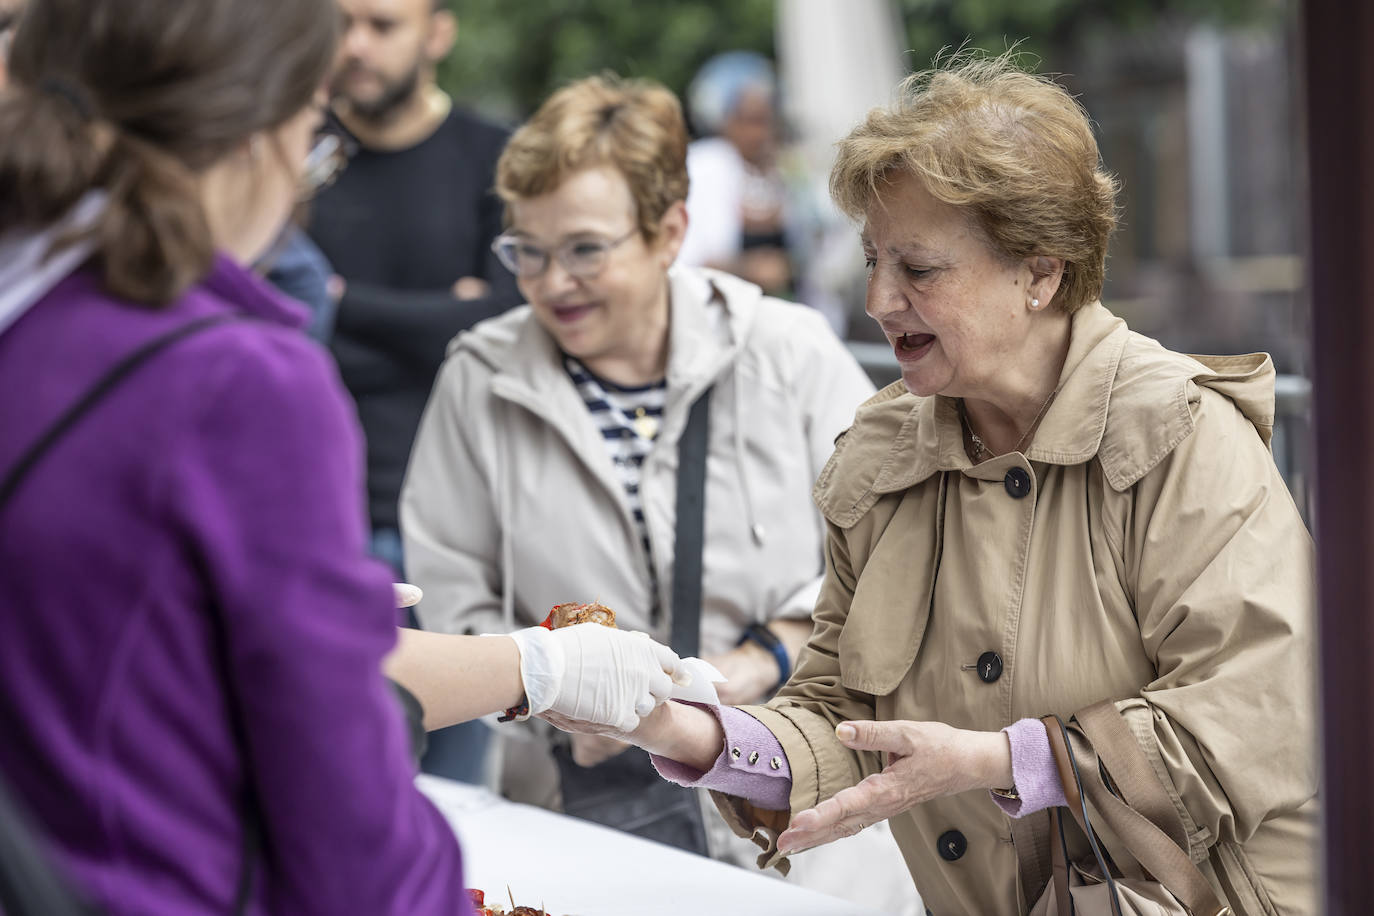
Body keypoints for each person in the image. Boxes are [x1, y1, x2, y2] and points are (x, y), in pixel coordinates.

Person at [548, 54, 1319, 915]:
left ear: (1041, 272)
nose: (878, 298)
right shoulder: (883, 451)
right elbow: (843, 714)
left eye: (919, 269)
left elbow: (1264, 718)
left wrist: (1003, 761)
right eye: (873, 257)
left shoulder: (1179, 434)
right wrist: (671, 725)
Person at [0, 2, 684, 913]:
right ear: (257, 137)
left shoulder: (38, 317)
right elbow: (351, 830)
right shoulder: (238, 380)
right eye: (315, 146)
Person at [400, 75, 921, 911]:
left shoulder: (786, 349)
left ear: (669, 229)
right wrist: (563, 696)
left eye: (583, 249)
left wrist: (755, 667)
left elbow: (893, 555)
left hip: (801, 813)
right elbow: (455, 603)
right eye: (525, 251)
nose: (550, 282)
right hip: (586, 824)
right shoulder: (479, 377)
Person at [308, 0, 518, 576]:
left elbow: (506, 326)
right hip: (319, 502)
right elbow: (275, 317)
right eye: (343, 25)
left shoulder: (495, 156)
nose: (356, 45)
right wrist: (448, 313)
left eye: (383, 25)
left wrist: (338, 300)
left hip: (468, 514)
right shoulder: (295, 149)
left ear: (438, 33)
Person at [677, 51, 794, 298]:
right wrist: (749, 268)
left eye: (767, 120)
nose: (761, 133)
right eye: (751, 121)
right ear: (722, 119)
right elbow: (687, 260)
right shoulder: (705, 164)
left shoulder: (779, 170)